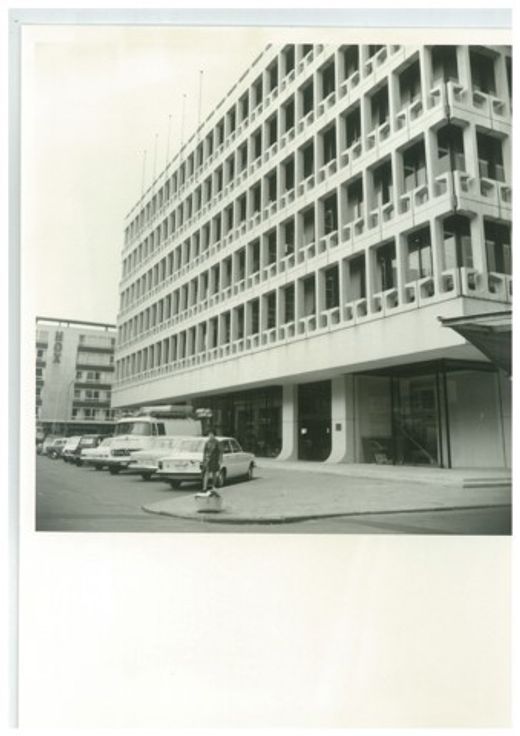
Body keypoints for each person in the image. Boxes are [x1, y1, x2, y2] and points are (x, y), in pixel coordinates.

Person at [202, 430, 223, 496]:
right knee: (206, 473)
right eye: (209, 434)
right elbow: (204, 452)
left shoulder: (217, 442)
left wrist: (220, 460)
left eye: (211, 434)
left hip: (214, 460)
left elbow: (220, 452)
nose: (210, 436)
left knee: (214, 473)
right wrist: (204, 460)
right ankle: (204, 488)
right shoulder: (207, 442)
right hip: (208, 460)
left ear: (214, 435)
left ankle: (213, 486)